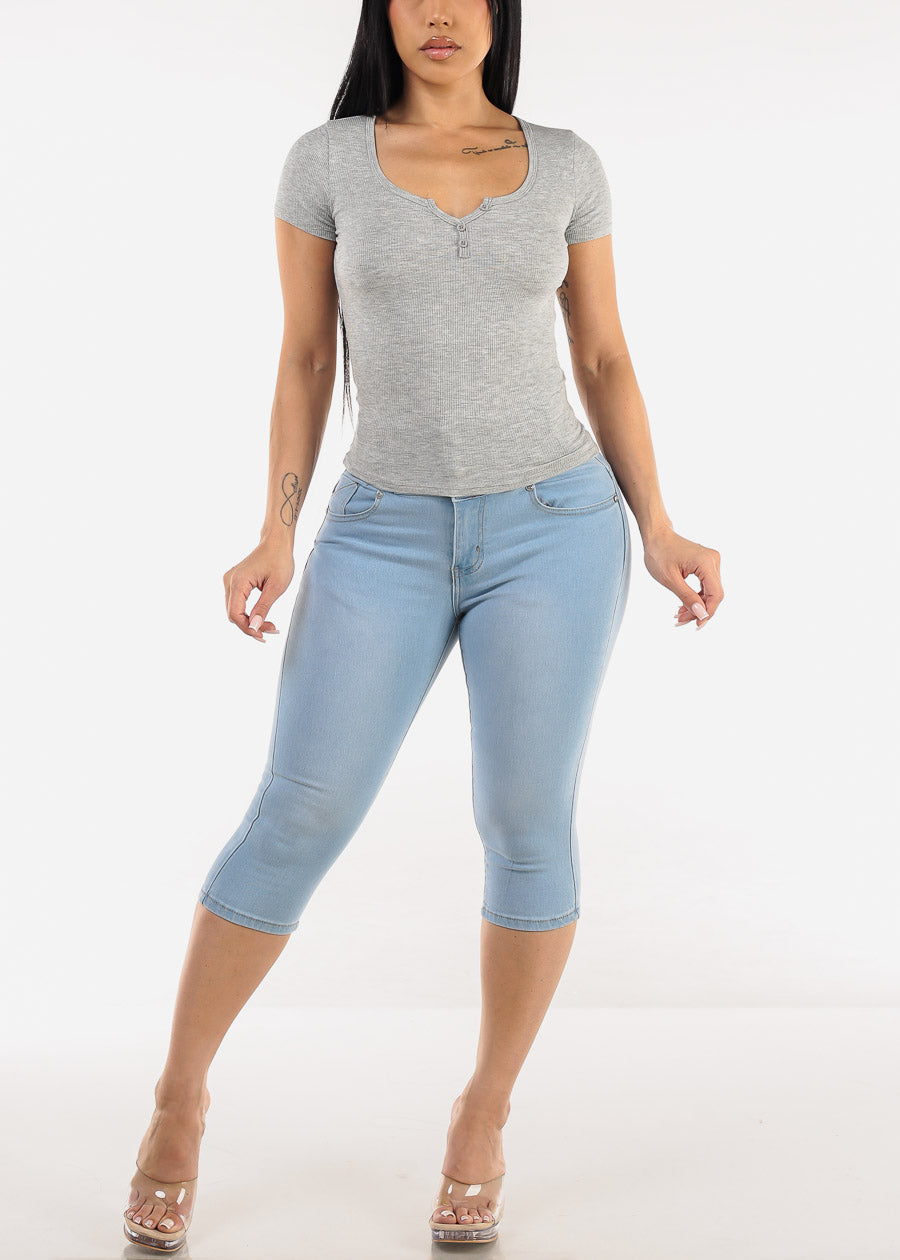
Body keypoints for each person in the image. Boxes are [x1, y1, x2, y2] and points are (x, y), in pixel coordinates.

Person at [122, 0, 724, 1251]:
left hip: (556, 525)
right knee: (299, 812)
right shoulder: (328, 161)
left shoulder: (567, 164)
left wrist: (660, 524)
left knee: (526, 823)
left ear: (500, 10)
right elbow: (306, 358)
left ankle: (483, 1116)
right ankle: (179, 1097)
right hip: (380, 530)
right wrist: (277, 530)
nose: (439, 15)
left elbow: (604, 358)